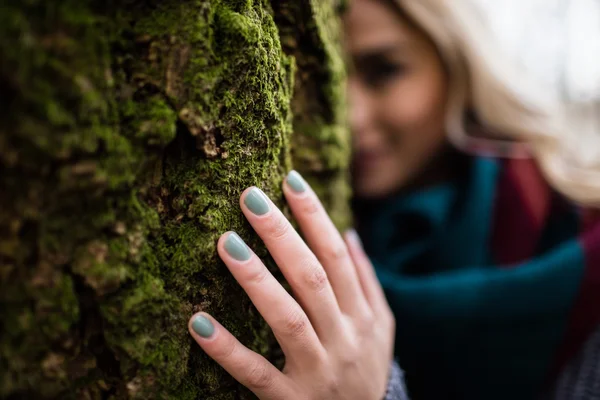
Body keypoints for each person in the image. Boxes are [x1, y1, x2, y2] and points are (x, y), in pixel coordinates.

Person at [187, 0, 600, 399]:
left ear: (455, 63)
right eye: (324, 80)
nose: (350, 116)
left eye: (383, 71)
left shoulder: (584, 238)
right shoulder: (330, 230)